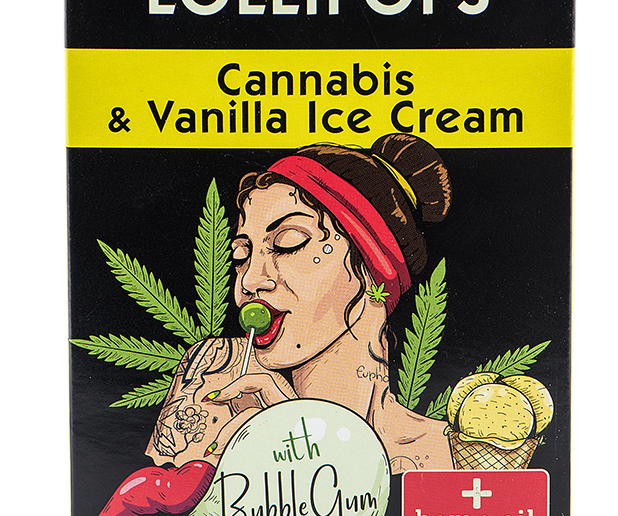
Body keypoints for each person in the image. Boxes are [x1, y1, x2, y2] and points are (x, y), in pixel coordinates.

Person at [145, 133, 454, 474]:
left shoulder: (452, 457)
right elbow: (160, 497)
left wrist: (300, 437)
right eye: (242, 254)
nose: (249, 281)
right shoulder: (219, 373)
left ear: (373, 269)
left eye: (288, 242)